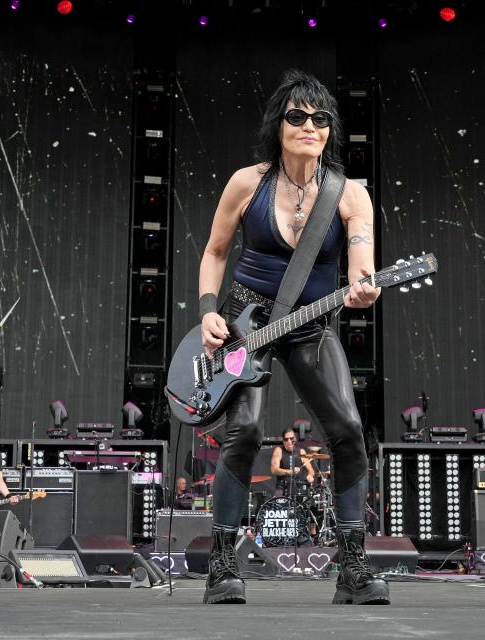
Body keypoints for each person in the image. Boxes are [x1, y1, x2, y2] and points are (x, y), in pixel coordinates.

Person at [197, 69, 388, 605]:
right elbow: (214, 253)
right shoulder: (247, 181)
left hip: (310, 324)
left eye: (320, 118)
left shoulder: (349, 193)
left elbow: (361, 263)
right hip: (243, 324)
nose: (310, 125)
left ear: (330, 129)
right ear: (278, 126)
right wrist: (210, 311)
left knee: (349, 430)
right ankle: (221, 567)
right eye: (297, 116)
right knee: (245, 434)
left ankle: (351, 569)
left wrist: (363, 288)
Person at [270, 427, 315, 497]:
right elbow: (274, 469)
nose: (289, 441)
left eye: (291, 438)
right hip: (282, 488)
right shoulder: (279, 450)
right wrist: (290, 471)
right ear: (283, 440)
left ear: (295, 439)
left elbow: (311, 470)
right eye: (286, 439)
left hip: (299, 488)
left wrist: (310, 475)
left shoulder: (301, 451)